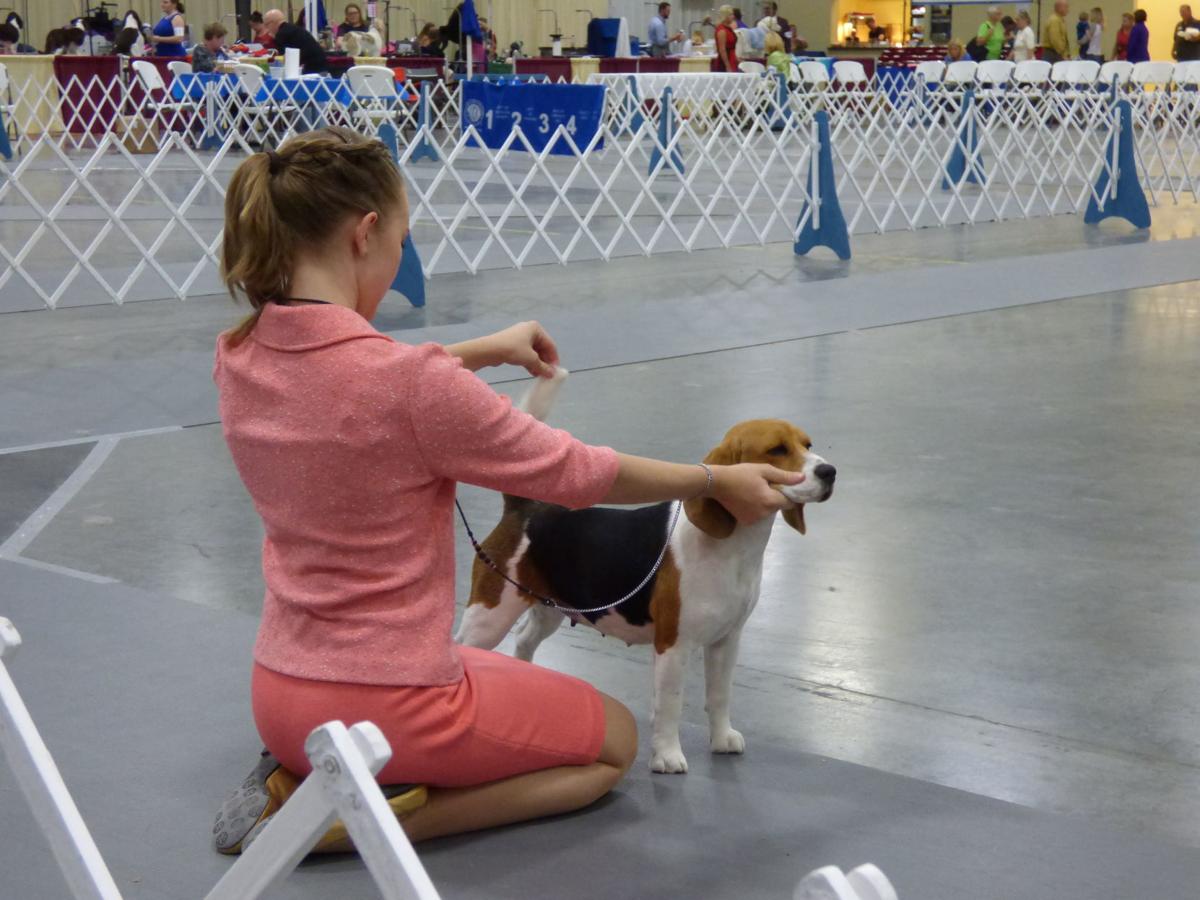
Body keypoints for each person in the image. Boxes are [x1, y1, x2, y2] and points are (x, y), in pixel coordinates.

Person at [210, 127, 802, 853]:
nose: (400, 260)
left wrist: (482, 350)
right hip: (388, 702)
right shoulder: (410, 385)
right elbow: (579, 472)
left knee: (489, 666)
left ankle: (301, 774)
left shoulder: (239, 354)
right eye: (402, 240)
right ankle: (348, 826)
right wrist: (715, 478)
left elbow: (350, 386)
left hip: (276, 693)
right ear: (365, 234)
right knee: (611, 745)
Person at [263, 9, 328, 74]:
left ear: (272, 23)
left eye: (266, 25)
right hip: (321, 66)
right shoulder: (294, 29)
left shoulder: (282, 34)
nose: (266, 29)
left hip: (311, 70)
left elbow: (282, 60)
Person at [715, 5, 739, 71]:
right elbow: (722, 49)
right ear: (725, 16)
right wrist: (727, 66)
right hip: (725, 61)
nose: (733, 17)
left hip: (732, 58)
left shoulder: (728, 29)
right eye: (731, 15)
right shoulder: (722, 30)